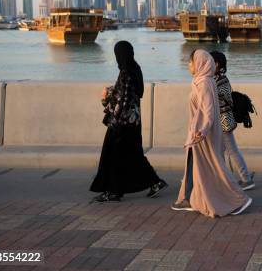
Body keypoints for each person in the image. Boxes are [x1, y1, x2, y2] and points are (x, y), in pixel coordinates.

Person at [171, 49, 252, 216]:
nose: (189, 65)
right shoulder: (201, 81)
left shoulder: (205, 84)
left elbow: (208, 112)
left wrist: (202, 131)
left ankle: (238, 200)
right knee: (199, 168)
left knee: (215, 167)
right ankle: (191, 198)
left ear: (200, 63)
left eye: (191, 61)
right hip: (197, 132)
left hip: (201, 134)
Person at [90, 41, 167, 202]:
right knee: (134, 155)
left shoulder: (125, 72)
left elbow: (122, 100)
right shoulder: (135, 69)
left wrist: (106, 100)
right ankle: (155, 182)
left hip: (122, 123)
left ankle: (113, 191)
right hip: (134, 122)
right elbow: (131, 93)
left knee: (112, 156)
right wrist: (113, 90)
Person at [209, 50, 255, 190]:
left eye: (209, 61)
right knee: (222, 151)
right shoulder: (220, 78)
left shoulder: (218, 80)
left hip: (223, 120)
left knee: (231, 150)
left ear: (216, 64)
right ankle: (226, 178)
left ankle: (246, 179)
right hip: (224, 119)